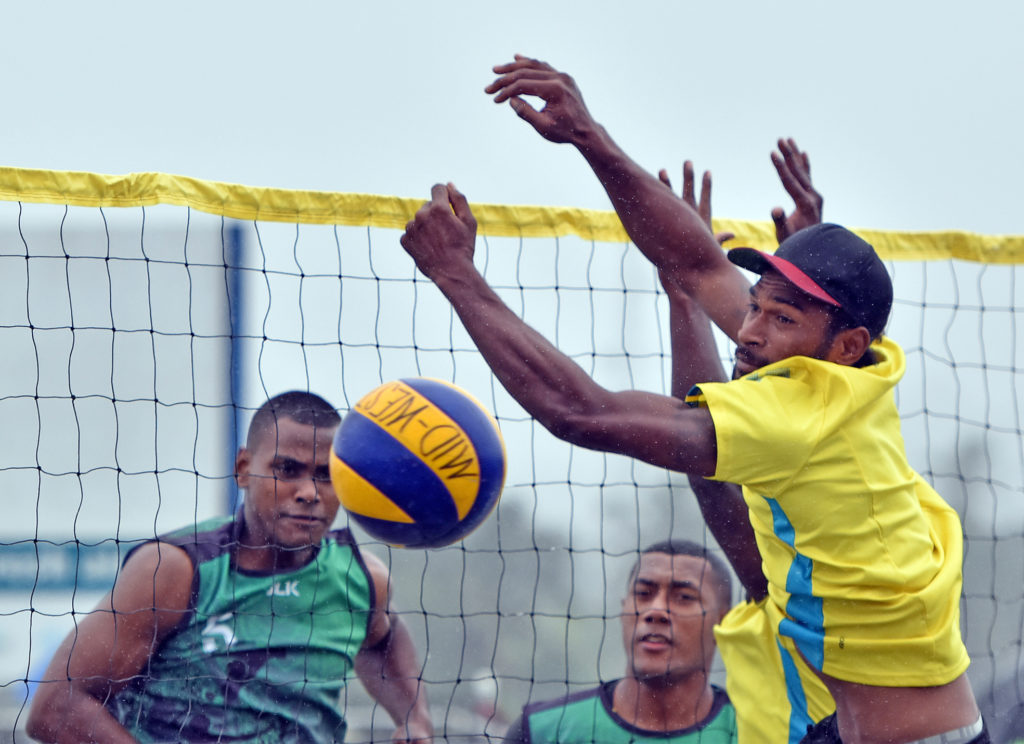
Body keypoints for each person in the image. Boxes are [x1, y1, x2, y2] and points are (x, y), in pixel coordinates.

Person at [397, 55, 986, 744]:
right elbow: (699, 264)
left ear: (847, 344)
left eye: (781, 318)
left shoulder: (797, 415)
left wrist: (458, 278)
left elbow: (581, 412)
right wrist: (589, 135)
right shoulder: (854, 378)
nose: (749, 330)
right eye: (756, 307)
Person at [26, 391, 434, 744]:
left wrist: (413, 715)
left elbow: (382, 637)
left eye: (326, 476)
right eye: (287, 469)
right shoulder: (176, 570)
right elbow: (56, 709)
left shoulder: (362, 578)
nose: (309, 493)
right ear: (243, 469)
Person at [504, 540, 738, 744]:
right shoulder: (542, 731)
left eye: (684, 598)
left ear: (724, 622)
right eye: (643, 594)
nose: (656, 610)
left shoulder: (753, 731)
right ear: (623, 608)